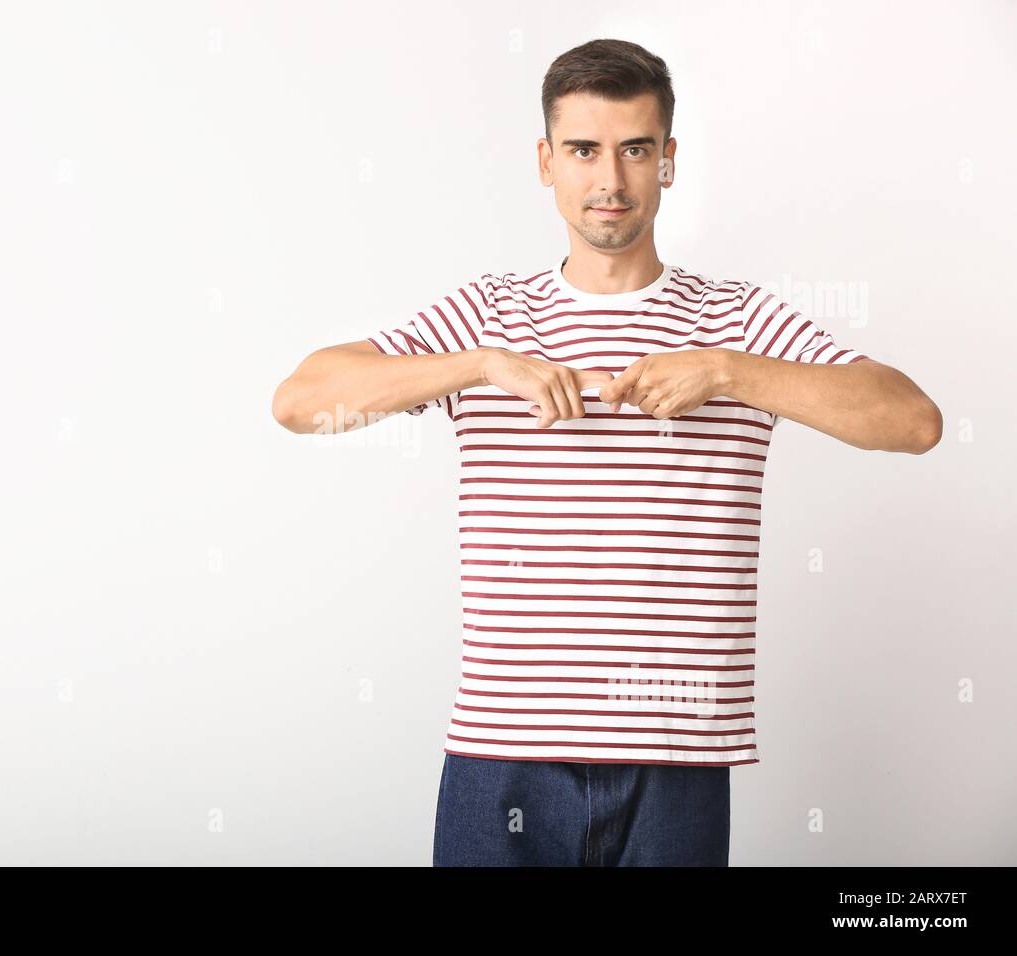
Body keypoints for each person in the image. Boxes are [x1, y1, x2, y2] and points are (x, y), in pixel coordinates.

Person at [270, 38, 941, 867]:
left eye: (634, 149)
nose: (610, 181)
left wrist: (730, 372)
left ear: (668, 160)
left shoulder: (733, 321)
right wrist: (483, 364)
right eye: (585, 150)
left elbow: (912, 422)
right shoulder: (491, 315)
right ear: (546, 162)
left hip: (678, 759)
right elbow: (300, 402)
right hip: (501, 751)